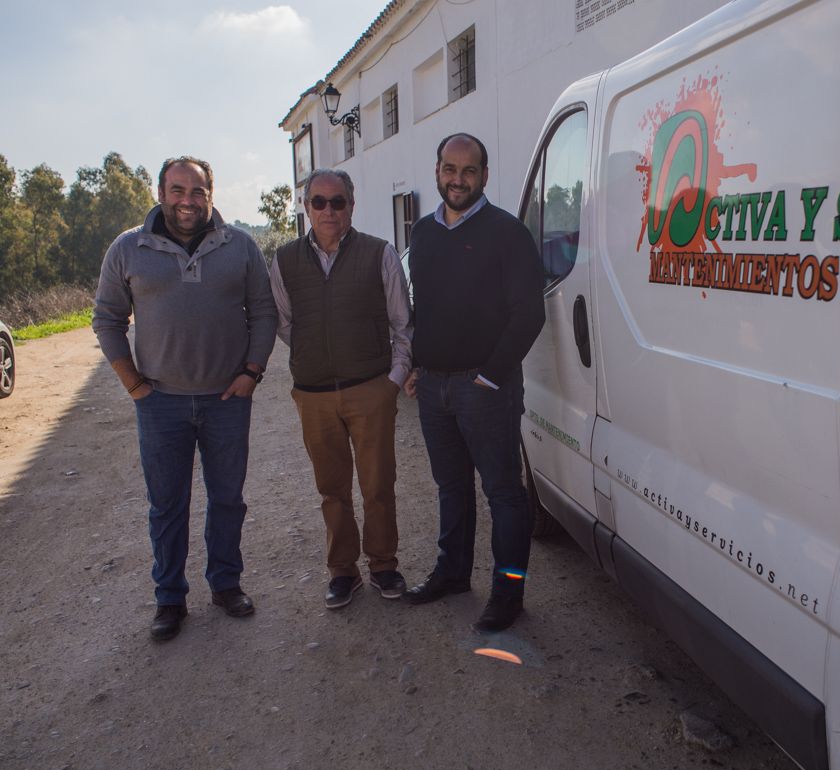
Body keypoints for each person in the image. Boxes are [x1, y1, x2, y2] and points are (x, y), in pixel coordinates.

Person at [93, 156, 277, 642]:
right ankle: (169, 598)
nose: (187, 201)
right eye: (177, 190)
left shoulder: (240, 246)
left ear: (211, 194)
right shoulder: (128, 248)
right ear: (160, 194)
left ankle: (226, 584)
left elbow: (263, 312)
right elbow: (107, 319)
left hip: (227, 400)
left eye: (197, 191)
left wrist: (252, 373)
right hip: (161, 404)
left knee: (228, 499)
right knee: (167, 506)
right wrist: (134, 385)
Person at [402, 133, 545, 632]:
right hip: (434, 388)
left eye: (468, 170)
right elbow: (425, 308)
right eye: (449, 168)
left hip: (485, 389)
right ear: (437, 171)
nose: (457, 179)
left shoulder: (508, 233)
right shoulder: (423, 233)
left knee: (504, 493)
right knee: (451, 487)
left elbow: (529, 314)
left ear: (484, 175)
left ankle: (508, 593)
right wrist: (418, 363)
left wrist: (491, 375)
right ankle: (453, 574)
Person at [269, 169, 413, 610]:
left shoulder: (379, 253)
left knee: (378, 485)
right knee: (331, 489)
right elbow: (284, 323)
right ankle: (342, 571)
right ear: (306, 207)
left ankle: (383, 564)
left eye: (338, 201)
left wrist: (392, 381)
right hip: (313, 395)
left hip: (370, 389)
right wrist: (314, 354)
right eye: (319, 202)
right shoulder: (284, 261)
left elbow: (402, 323)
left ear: (352, 205)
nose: (328, 210)